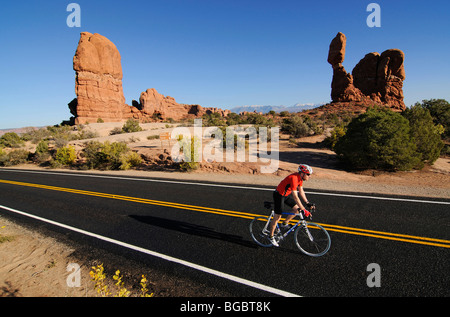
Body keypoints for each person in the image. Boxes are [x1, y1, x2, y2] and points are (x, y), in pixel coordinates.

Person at [267, 164, 315, 247]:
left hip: (285, 195)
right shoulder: (294, 178)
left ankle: (285, 223)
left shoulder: (300, 178)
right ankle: (271, 236)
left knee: (297, 210)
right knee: (277, 217)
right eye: (308, 174)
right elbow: (295, 197)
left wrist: (307, 202)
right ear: (302, 173)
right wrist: (304, 209)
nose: (309, 176)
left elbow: (301, 191)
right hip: (279, 195)